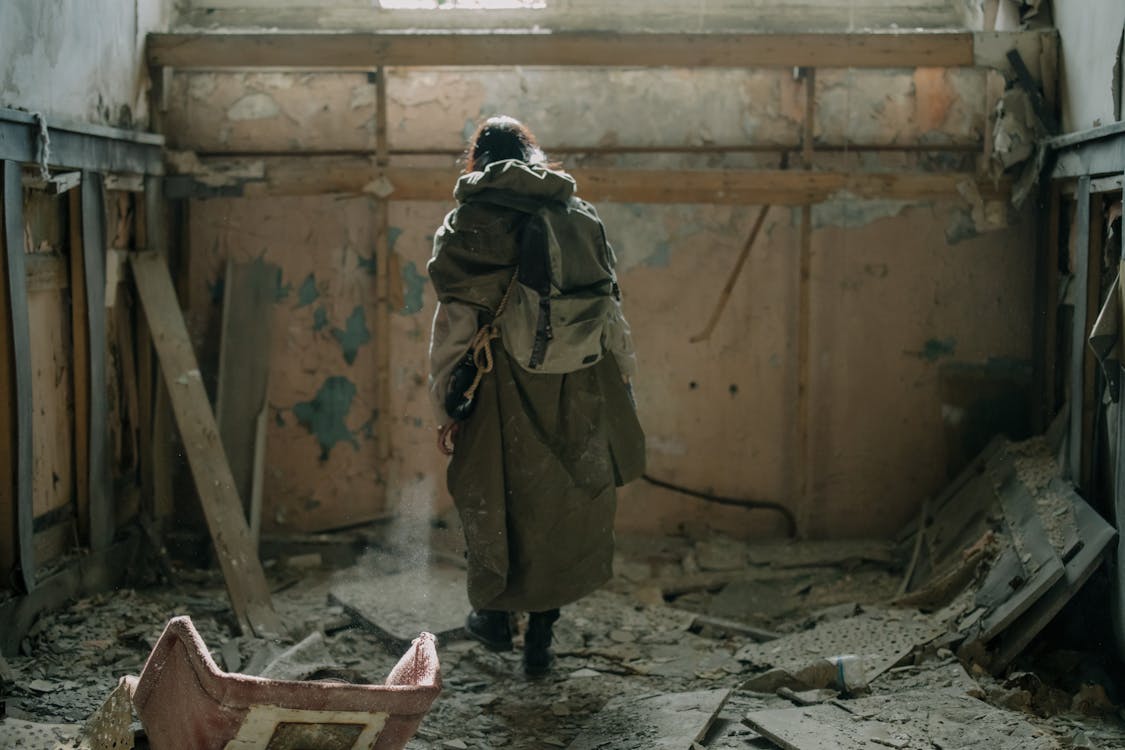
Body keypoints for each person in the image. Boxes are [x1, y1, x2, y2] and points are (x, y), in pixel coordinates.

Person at [427, 115, 645, 676]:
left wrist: (447, 404)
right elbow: (610, 311)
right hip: (580, 383)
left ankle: (496, 619)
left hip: (498, 381)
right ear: (533, 154)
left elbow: (455, 322)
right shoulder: (579, 215)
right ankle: (541, 640)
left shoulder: (469, 223)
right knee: (563, 507)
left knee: (491, 495)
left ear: (476, 158)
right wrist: (623, 382)